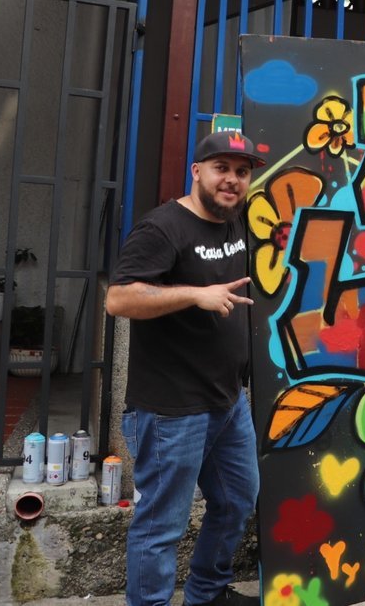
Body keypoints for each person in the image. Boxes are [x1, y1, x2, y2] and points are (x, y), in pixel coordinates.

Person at [106, 130, 264, 606]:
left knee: (237, 500)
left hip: (227, 400)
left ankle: (207, 593)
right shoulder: (163, 229)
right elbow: (118, 299)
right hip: (172, 409)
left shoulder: (235, 222)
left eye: (241, 172)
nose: (232, 180)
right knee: (161, 526)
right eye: (221, 169)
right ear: (197, 172)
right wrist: (194, 295)